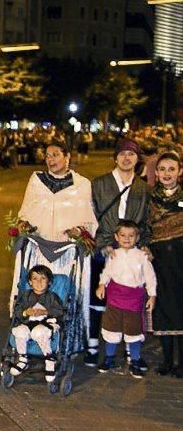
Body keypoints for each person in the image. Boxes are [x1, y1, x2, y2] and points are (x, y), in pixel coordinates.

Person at [15, 141, 97, 364]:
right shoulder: (37, 180)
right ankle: (32, 341)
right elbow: (27, 211)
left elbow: (87, 218)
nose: (51, 159)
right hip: (39, 248)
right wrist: (24, 225)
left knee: (63, 293)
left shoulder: (81, 184)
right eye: (47, 155)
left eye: (56, 155)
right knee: (36, 291)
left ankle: (64, 341)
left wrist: (78, 230)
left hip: (66, 251)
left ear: (67, 156)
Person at [89, 138, 152, 357]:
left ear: (137, 159)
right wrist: (102, 244)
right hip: (105, 247)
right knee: (99, 298)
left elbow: (146, 221)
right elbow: (91, 217)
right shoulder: (99, 184)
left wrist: (141, 245)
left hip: (131, 251)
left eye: (131, 154)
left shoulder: (143, 188)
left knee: (130, 299)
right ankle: (94, 345)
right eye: (122, 154)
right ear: (115, 157)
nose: (126, 158)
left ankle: (130, 347)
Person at [96, 220, 156, 378]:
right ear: (116, 237)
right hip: (115, 298)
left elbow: (150, 277)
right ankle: (109, 358)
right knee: (111, 328)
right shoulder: (114, 255)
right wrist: (102, 285)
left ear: (137, 238)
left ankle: (134, 361)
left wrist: (152, 295)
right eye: (123, 235)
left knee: (133, 330)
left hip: (134, 299)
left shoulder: (142, 256)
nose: (127, 238)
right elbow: (107, 272)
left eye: (131, 235)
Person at [148, 151, 183, 376]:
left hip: (181, 258)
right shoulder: (149, 198)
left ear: (180, 172)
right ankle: (167, 360)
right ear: (157, 173)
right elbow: (143, 227)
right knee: (162, 308)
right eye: (162, 169)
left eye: (171, 169)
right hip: (158, 260)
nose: (167, 174)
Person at [9, 264, 65, 384]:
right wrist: (25, 312)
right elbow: (17, 311)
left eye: (43, 279)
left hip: (46, 324)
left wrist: (45, 311)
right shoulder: (26, 296)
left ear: (49, 282)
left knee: (38, 332)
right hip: (28, 322)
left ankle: (49, 359)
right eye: (35, 279)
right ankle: (23, 358)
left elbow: (60, 311)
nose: (39, 282)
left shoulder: (52, 297)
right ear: (30, 282)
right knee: (20, 331)